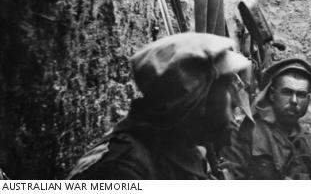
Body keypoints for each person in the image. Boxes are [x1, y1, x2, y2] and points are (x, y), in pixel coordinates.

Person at [68, 33, 251, 179]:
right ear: (199, 100)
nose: (235, 104)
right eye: (228, 91)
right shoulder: (119, 170)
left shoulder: (184, 149)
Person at [222, 58, 311, 179]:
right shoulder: (246, 133)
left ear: (308, 100)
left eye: (301, 95)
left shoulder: (307, 142)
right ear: (272, 94)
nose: (294, 101)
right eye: (287, 92)